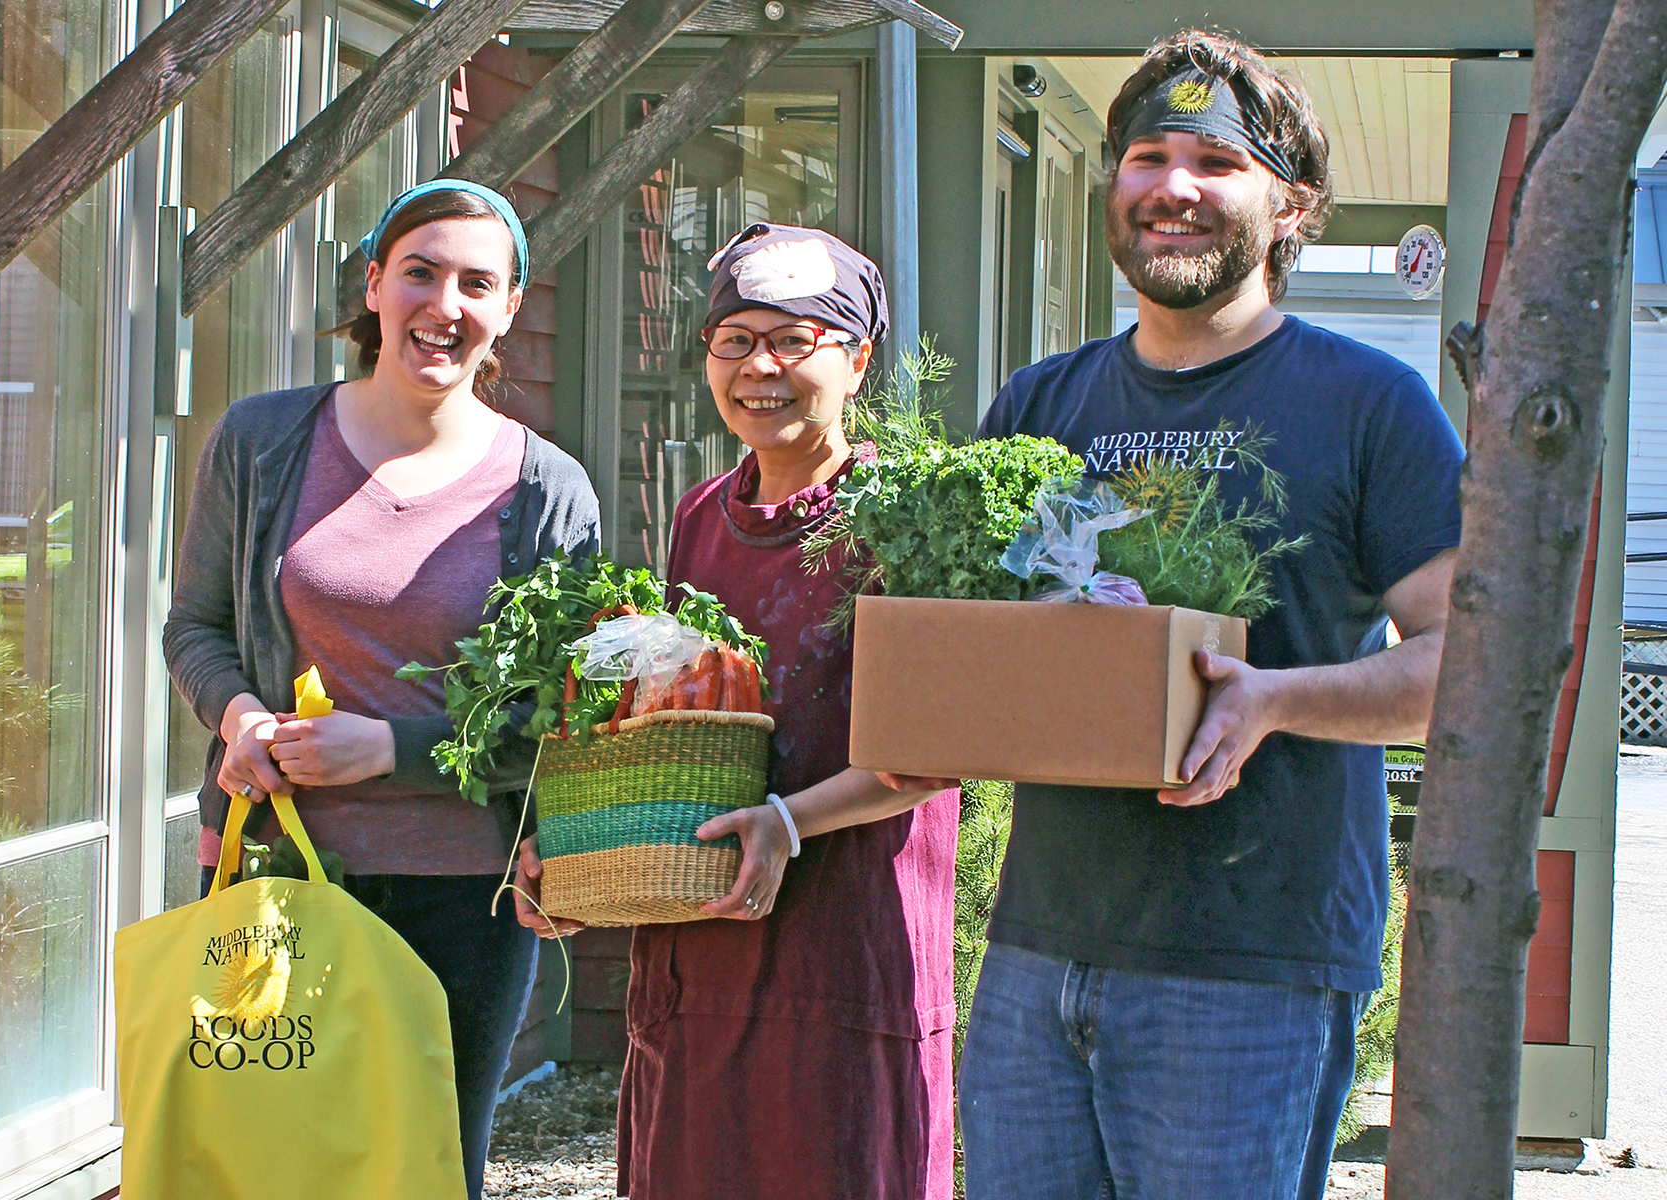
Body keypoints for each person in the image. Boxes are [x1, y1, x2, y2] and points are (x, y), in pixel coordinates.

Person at [956, 31, 1463, 1200]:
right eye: (1146, 156)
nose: (1173, 188)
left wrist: (1276, 702)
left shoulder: (1367, 404)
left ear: (1290, 207)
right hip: (1039, 945)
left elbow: (1468, 670)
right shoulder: (1042, 402)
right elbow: (978, 648)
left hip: (1252, 962)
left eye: (1216, 162)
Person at [163, 180, 600, 1200]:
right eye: (421, 272)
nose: (444, 303)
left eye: (476, 283)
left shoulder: (546, 490)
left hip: (465, 898)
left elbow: (562, 714)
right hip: (278, 874)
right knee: (262, 1166)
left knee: (425, 1171)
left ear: (509, 309)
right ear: (374, 285)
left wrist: (390, 750)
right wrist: (237, 714)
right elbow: (198, 627)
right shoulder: (264, 442)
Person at [514, 223, 960, 1200]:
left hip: (846, 953)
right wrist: (579, 847)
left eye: (796, 340)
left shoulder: (905, 512)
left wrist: (793, 822)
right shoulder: (699, 514)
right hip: (702, 943)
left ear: (857, 360)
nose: (761, 366)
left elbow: (939, 748)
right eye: (735, 339)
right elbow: (674, 727)